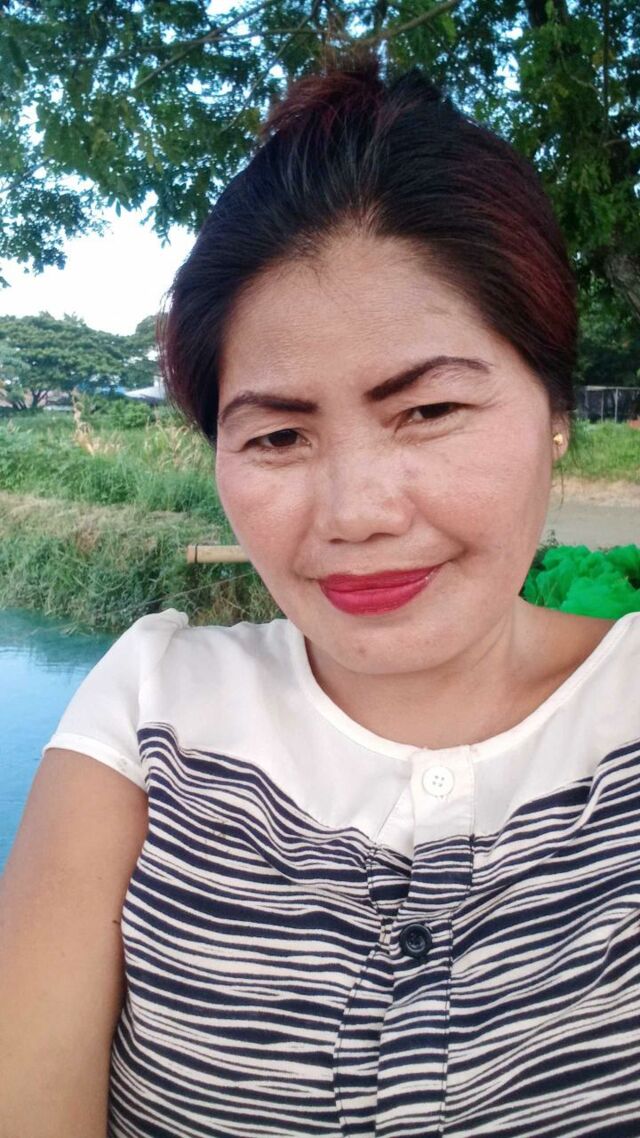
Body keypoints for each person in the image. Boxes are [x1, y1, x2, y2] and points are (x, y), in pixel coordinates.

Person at [1, 49, 639, 1138]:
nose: (354, 513)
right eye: (278, 436)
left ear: (557, 414)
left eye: (429, 411)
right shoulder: (151, 706)